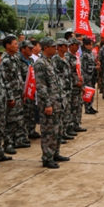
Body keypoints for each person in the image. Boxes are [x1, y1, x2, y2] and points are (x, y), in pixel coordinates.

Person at [34, 37, 70, 169]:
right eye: (53, 47)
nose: (55, 49)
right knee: (49, 131)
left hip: (57, 102)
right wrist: (47, 104)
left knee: (58, 130)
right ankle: (47, 157)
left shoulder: (50, 61)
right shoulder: (40, 63)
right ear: (46, 48)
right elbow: (41, 86)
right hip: (49, 104)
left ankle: (55, 153)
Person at [0, 35, 27, 154]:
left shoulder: (15, 58)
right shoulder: (4, 60)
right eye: (15, 44)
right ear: (8, 45)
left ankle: (18, 140)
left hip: (18, 93)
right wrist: (10, 97)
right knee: (10, 120)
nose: (17, 45)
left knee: (18, 119)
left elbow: (18, 76)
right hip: (11, 95)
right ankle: (8, 143)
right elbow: (5, 80)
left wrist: (23, 91)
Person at [54, 39, 75, 142]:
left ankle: (65, 131)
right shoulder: (55, 59)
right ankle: (59, 134)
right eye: (65, 46)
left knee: (67, 112)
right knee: (60, 113)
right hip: (60, 89)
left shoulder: (66, 58)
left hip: (68, 88)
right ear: (59, 47)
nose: (67, 48)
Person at [19, 40, 39, 141]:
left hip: (31, 89)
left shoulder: (31, 60)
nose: (32, 50)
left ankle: (31, 130)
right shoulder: (18, 61)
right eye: (29, 48)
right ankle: (23, 134)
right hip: (22, 91)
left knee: (31, 111)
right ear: (23, 49)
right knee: (23, 114)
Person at [66, 38, 86, 133]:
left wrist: (82, 85)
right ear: (71, 45)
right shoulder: (67, 57)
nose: (78, 47)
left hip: (79, 85)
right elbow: (68, 72)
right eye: (76, 45)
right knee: (72, 107)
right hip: (72, 86)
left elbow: (79, 71)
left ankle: (77, 124)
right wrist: (75, 82)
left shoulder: (77, 56)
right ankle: (70, 126)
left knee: (78, 105)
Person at [81, 37, 98, 114]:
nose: (91, 46)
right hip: (87, 76)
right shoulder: (84, 55)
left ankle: (90, 106)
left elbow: (93, 62)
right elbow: (85, 67)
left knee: (92, 91)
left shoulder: (91, 53)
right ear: (86, 45)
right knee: (88, 92)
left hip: (92, 76)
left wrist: (96, 63)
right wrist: (95, 67)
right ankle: (87, 107)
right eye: (90, 45)